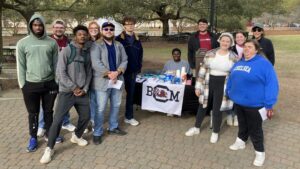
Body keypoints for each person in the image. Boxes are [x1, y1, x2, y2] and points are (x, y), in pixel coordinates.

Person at [40, 25, 92, 164]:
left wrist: (85, 89)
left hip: (82, 93)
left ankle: (76, 136)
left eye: (84, 34)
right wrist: (73, 87)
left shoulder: (87, 52)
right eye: (79, 34)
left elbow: (89, 72)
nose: (82, 36)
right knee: (57, 121)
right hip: (66, 93)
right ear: (75, 36)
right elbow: (60, 73)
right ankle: (49, 149)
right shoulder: (67, 51)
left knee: (86, 116)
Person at [226, 39, 279, 167]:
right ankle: (241, 141)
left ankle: (260, 152)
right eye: (245, 47)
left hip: (255, 104)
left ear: (256, 50)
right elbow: (231, 78)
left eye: (250, 47)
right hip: (239, 102)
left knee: (255, 129)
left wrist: (269, 103)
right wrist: (229, 91)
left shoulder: (264, 64)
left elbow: (272, 84)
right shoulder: (239, 63)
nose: (246, 49)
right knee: (242, 124)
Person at [185, 33, 239, 144]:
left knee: (217, 109)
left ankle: (215, 132)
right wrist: (198, 86)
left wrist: (232, 89)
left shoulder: (234, 57)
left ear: (231, 43)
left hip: (223, 84)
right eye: (223, 40)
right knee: (202, 105)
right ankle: (196, 128)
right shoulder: (210, 53)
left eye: (227, 41)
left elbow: (235, 75)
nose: (225, 43)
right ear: (219, 41)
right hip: (208, 82)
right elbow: (202, 70)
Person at [16, 14, 59, 152]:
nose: (38, 27)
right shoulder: (23, 43)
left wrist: (56, 81)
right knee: (33, 113)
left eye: (40, 25)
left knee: (48, 111)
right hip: (30, 85)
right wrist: (23, 84)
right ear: (31, 26)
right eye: (35, 25)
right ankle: (33, 137)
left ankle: (49, 133)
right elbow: (21, 66)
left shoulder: (52, 42)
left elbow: (56, 64)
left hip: (49, 84)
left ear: (43, 26)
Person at [90, 22, 128, 145]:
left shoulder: (119, 45)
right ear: (102, 30)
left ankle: (113, 127)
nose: (108, 31)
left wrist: (117, 72)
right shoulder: (96, 45)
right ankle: (97, 132)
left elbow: (125, 60)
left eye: (111, 29)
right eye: (106, 29)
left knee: (116, 105)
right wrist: (109, 73)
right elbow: (95, 62)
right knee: (100, 108)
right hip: (103, 81)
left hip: (117, 80)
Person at [37, 19, 75, 137]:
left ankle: (65, 122)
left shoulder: (69, 42)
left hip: (65, 77)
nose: (59, 29)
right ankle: (42, 125)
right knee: (48, 104)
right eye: (56, 27)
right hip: (51, 78)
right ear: (52, 28)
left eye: (61, 27)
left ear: (64, 29)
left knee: (65, 101)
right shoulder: (47, 41)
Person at [115, 16, 143, 126]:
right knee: (115, 96)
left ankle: (129, 116)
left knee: (130, 95)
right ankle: (113, 120)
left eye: (132, 24)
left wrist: (139, 67)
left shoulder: (137, 39)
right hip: (120, 72)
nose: (130, 26)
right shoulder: (118, 39)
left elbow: (140, 54)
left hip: (132, 72)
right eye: (127, 24)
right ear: (124, 26)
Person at [226, 31, 247, 126]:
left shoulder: (248, 47)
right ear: (235, 39)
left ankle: (238, 116)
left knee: (240, 96)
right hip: (232, 75)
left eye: (241, 36)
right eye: (237, 37)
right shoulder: (231, 49)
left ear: (245, 38)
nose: (239, 38)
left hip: (243, 75)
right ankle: (230, 114)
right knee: (231, 95)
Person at [86, 21, 101, 133]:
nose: (94, 29)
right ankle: (87, 122)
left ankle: (94, 121)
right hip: (85, 74)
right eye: (91, 28)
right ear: (88, 29)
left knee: (94, 101)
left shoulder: (102, 41)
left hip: (97, 75)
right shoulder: (85, 40)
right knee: (85, 101)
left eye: (96, 28)